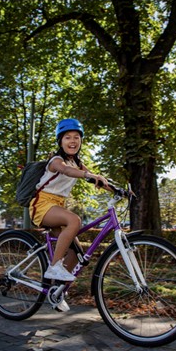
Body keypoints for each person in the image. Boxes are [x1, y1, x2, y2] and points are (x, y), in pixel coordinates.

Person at [32, 119, 117, 311]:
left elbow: (97, 180)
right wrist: (87, 175)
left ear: (81, 141)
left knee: (78, 253)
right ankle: (54, 266)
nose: (72, 141)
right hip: (42, 205)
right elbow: (66, 171)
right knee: (74, 220)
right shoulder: (56, 161)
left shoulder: (77, 163)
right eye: (67, 137)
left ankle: (57, 291)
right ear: (60, 141)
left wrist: (119, 191)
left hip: (58, 207)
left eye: (76, 137)